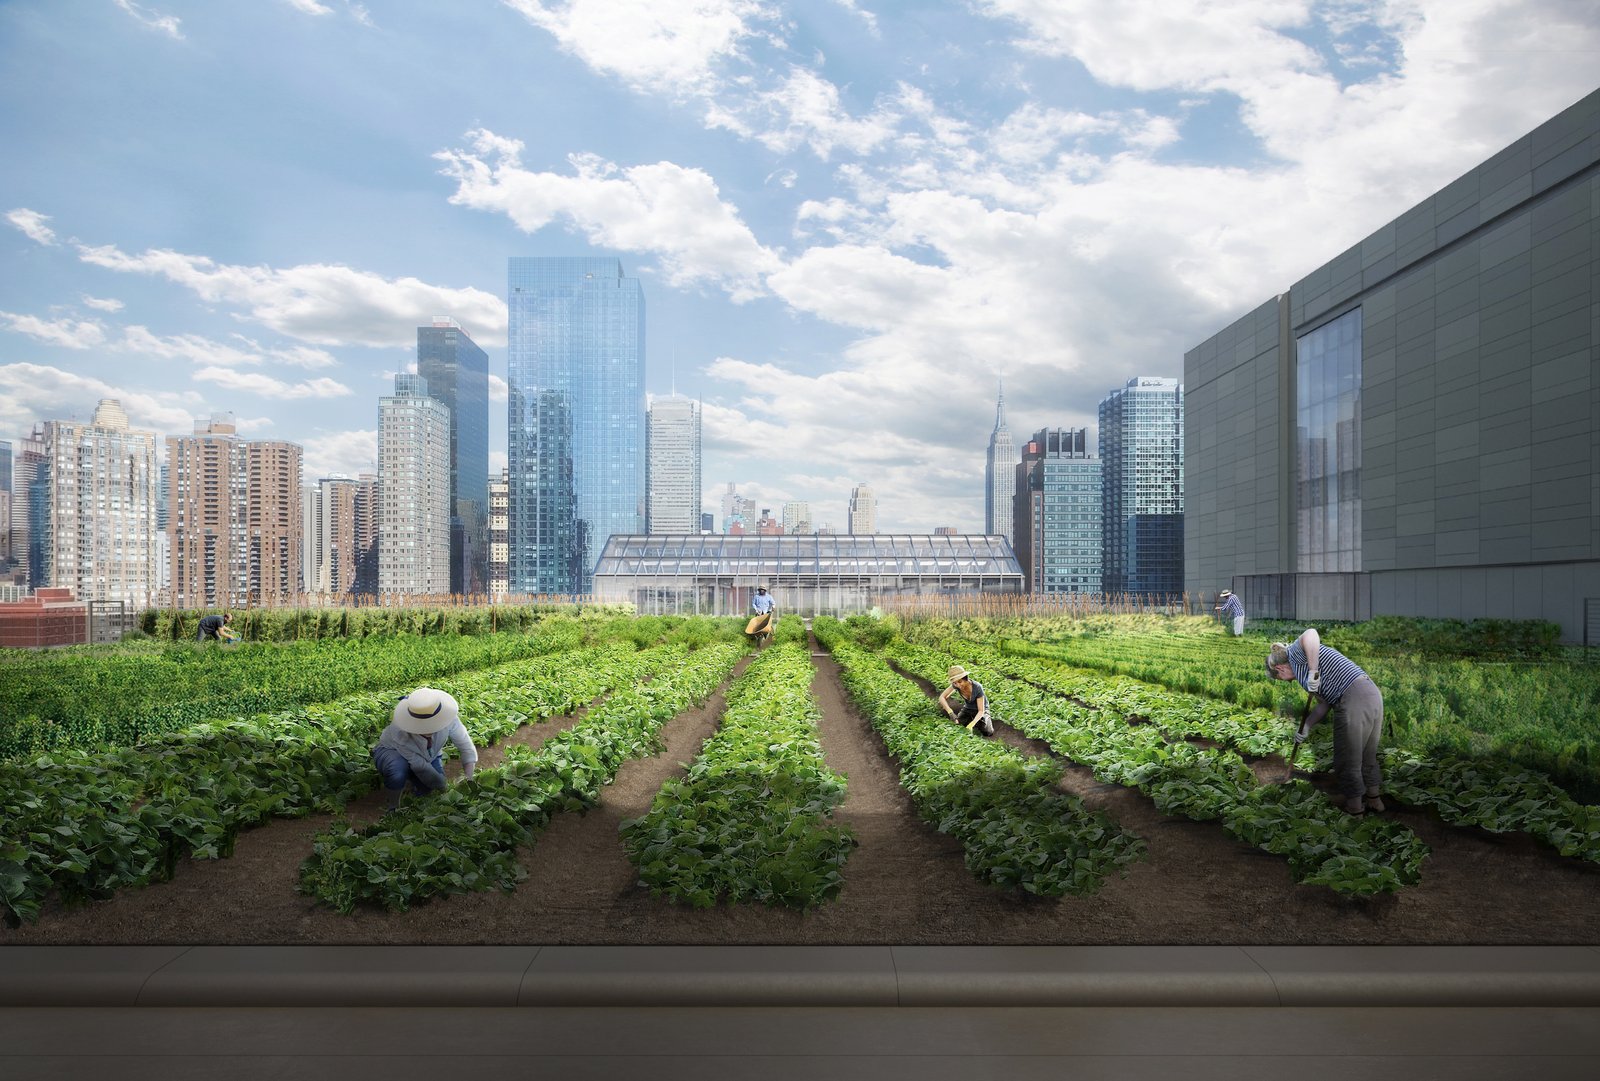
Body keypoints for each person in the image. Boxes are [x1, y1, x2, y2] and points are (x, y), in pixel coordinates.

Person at [1265, 629, 1384, 815]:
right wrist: (1306, 726)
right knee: (1367, 754)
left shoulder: (1295, 655)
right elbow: (1324, 704)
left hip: (1353, 697)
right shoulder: (1302, 671)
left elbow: (1311, 633)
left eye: (1280, 679)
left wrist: (1313, 672)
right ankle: (1374, 800)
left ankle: (1355, 810)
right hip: (1370, 693)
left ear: (1279, 669)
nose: (1285, 682)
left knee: (1347, 758)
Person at [371, 686, 478, 814]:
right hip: (392, 751)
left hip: (429, 755)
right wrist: (444, 787)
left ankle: (410, 782)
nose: (427, 728)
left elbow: (465, 746)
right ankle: (393, 808)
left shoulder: (450, 719)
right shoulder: (400, 731)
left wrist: (469, 778)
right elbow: (419, 766)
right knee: (398, 770)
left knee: (427, 792)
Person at [939, 664, 994, 737]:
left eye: (960, 682)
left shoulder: (977, 687)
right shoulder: (956, 685)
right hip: (968, 708)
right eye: (955, 683)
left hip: (981, 710)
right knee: (957, 723)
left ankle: (982, 719)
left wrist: (972, 724)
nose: (958, 685)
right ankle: (973, 719)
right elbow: (942, 697)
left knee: (987, 732)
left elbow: (981, 710)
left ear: (966, 679)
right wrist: (950, 712)